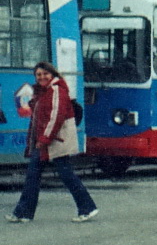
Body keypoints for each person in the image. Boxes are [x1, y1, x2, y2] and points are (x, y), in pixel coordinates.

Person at [6, 62, 98, 223]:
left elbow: (56, 117)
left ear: (52, 74)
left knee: (66, 175)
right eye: (38, 75)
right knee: (33, 176)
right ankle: (23, 213)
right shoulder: (43, 92)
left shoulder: (57, 90)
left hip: (55, 141)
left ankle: (87, 208)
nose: (42, 77)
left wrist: (44, 139)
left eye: (45, 74)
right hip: (44, 141)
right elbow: (37, 119)